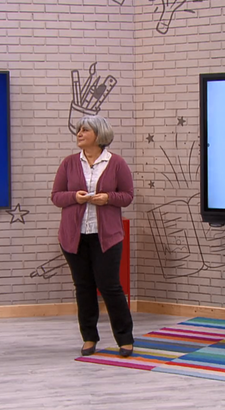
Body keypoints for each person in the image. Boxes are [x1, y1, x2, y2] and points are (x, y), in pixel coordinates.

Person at [51, 115, 134, 357]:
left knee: (110, 287)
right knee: (83, 287)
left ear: (100, 134)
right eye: (79, 130)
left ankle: (125, 339)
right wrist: (74, 198)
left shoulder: (117, 163)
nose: (79, 134)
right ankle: (89, 337)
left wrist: (108, 198)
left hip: (106, 237)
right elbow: (56, 196)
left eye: (85, 130)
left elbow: (127, 196)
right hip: (74, 237)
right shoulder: (68, 163)